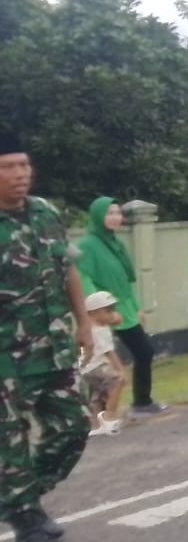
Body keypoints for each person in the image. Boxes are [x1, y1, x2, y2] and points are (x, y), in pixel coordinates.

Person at [0, 129, 93, 542]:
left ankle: (20, 499)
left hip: (53, 347)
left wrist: (85, 321)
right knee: (10, 443)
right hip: (6, 357)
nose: (20, 174)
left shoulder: (45, 212)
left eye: (24, 165)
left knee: (74, 427)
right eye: (8, 167)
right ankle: (26, 518)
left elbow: (68, 267)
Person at [74, 196, 167, 418]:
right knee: (101, 360)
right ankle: (132, 405)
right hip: (103, 312)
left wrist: (137, 307)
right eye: (109, 213)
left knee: (140, 352)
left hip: (123, 308)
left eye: (117, 213)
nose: (115, 217)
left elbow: (127, 280)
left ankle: (138, 402)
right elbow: (83, 278)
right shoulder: (87, 245)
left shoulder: (116, 244)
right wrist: (100, 308)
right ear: (97, 217)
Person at [78, 292, 126, 437]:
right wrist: (120, 370)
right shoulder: (99, 330)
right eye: (108, 311)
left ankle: (97, 424)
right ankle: (110, 414)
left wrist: (113, 318)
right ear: (93, 313)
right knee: (117, 381)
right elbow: (109, 352)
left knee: (97, 395)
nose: (112, 314)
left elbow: (117, 320)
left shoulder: (89, 329)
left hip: (85, 369)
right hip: (96, 366)